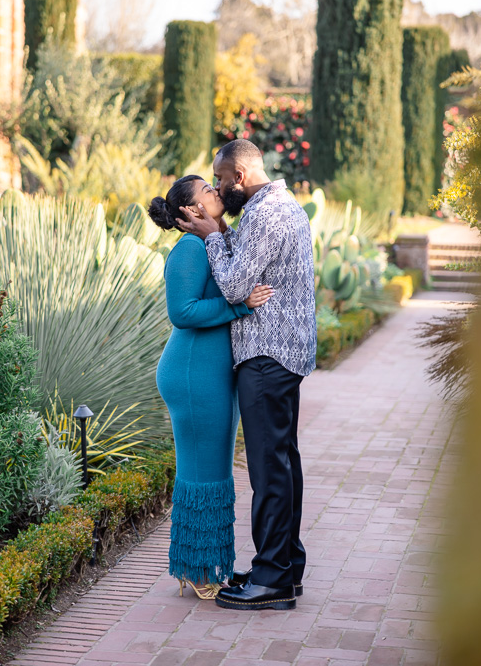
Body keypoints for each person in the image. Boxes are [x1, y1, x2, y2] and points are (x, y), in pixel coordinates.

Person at [177, 140, 317, 611]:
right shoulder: (277, 204)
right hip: (282, 353)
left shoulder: (263, 213)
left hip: (266, 354)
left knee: (268, 469)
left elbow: (235, 284)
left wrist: (212, 235)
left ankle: (272, 578)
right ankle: (286, 567)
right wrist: (219, 229)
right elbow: (245, 265)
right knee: (283, 463)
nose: (216, 187)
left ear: (238, 176)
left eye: (218, 179)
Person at [148, 174, 273, 601]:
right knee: (204, 471)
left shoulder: (212, 242)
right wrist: (239, 305)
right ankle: (200, 570)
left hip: (212, 371)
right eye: (206, 190)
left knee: (213, 470)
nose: (216, 191)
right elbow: (182, 312)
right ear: (189, 210)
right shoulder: (188, 249)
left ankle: (201, 563)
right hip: (192, 372)